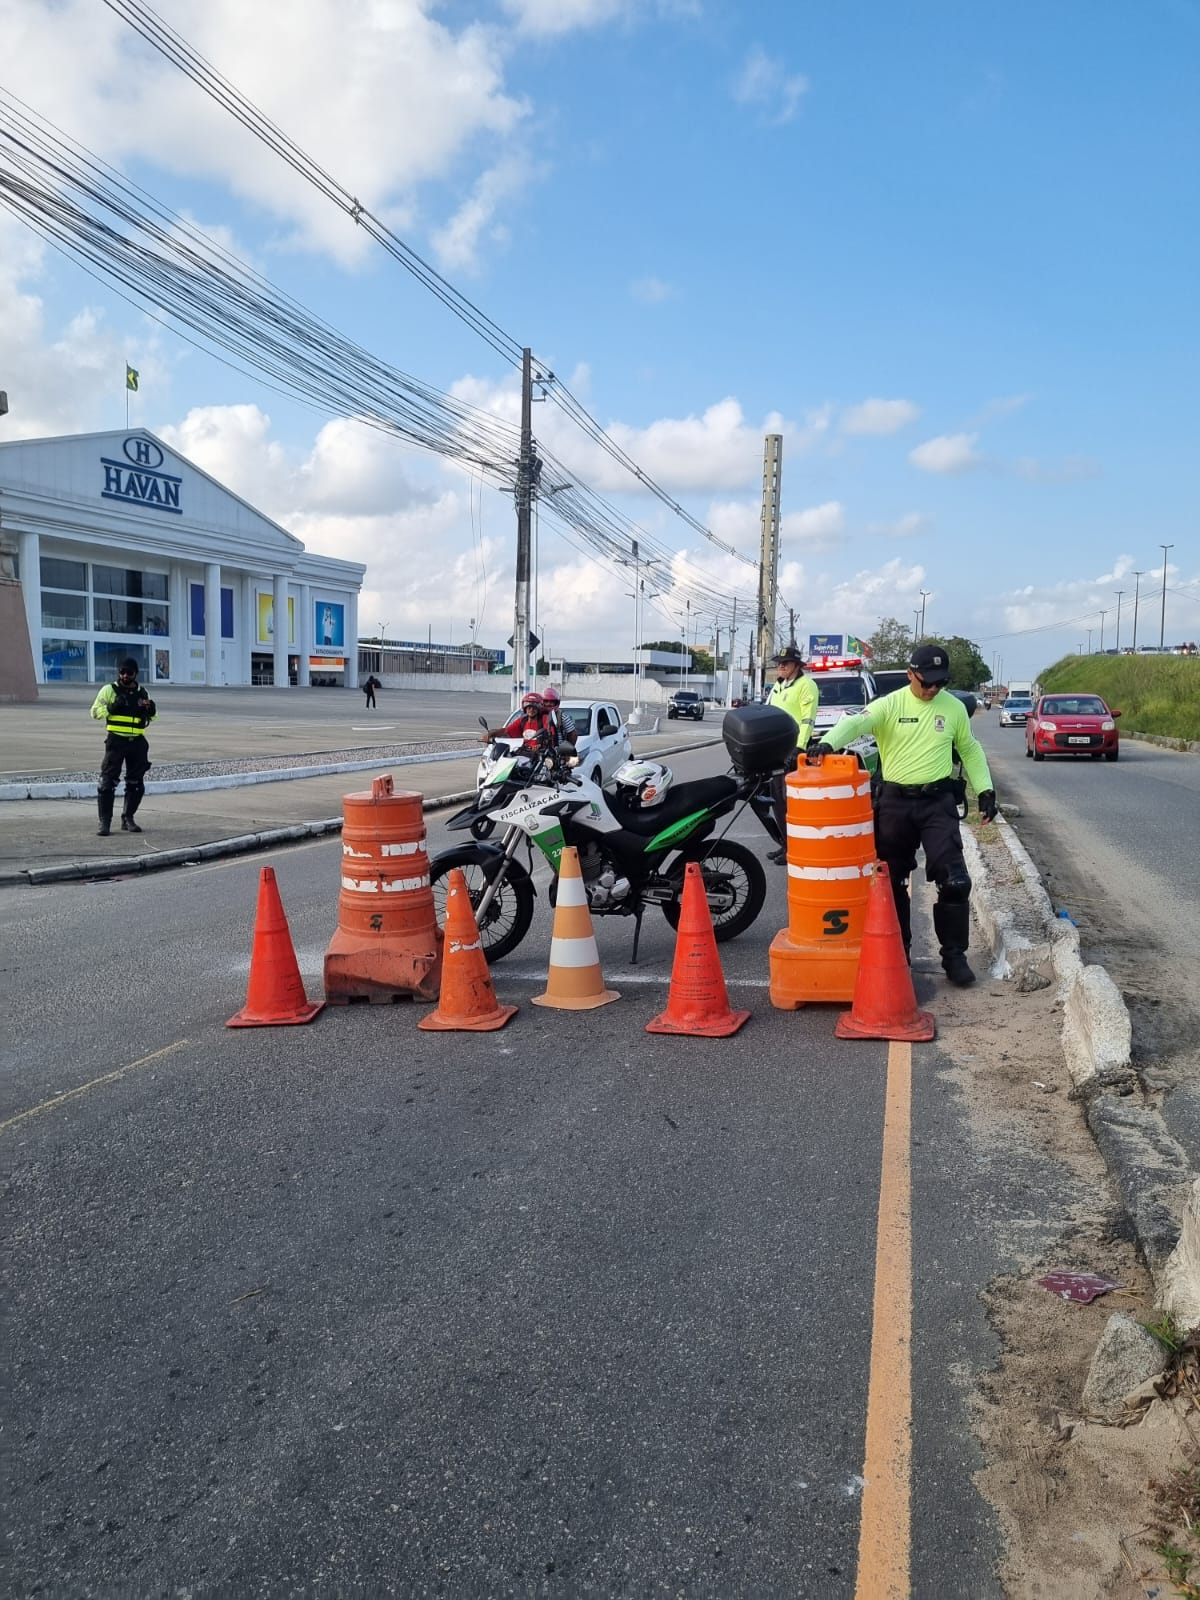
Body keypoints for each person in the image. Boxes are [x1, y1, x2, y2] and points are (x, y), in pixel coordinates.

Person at [812, 642, 997, 987]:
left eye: (939, 683)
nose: (932, 689)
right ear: (911, 674)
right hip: (895, 803)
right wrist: (828, 743)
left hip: (937, 803)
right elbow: (855, 723)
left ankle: (954, 956)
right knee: (889, 881)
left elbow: (970, 749)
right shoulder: (890, 704)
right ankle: (899, 951)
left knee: (955, 881)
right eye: (926, 682)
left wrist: (985, 789)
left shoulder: (953, 707)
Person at [90, 657, 157, 836]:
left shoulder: (143, 692)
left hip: (137, 742)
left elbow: (152, 718)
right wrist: (111, 708)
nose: (125, 676)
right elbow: (95, 712)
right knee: (107, 783)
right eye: (122, 672)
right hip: (116, 742)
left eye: (129, 672)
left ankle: (128, 818)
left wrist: (151, 710)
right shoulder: (109, 690)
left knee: (136, 784)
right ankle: (104, 822)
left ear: (136, 674)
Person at [765, 644, 819, 864]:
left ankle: (794, 849)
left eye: (785, 663)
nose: (781, 666)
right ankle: (785, 844)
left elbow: (808, 719)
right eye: (779, 663)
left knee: (789, 803)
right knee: (776, 800)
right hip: (774, 750)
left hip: (792, 751)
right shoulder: (778, 687)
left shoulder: (807, 685)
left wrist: (800, 746)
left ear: (797, 665)